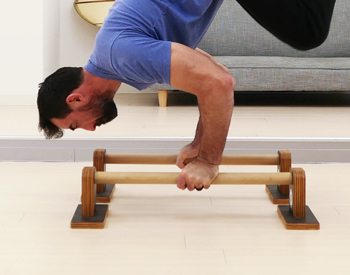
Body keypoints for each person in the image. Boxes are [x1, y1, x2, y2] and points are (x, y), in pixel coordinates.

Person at [37, 0, 336, 191]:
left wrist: (208, 161)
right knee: (307, 24)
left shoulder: (121, 55)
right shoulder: (119, 56)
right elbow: (210, 74)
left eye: (76, 125)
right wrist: (198, 145)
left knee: (307, 31)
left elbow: (218, 83)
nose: (89, 129)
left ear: (75, 99)